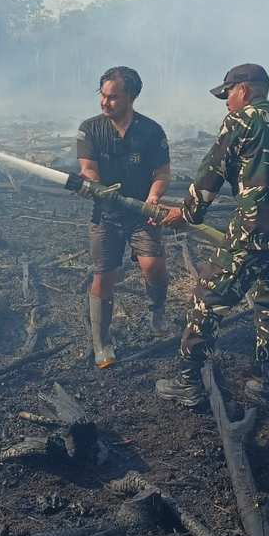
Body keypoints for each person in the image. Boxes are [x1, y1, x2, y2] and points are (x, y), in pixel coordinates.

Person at [156, 64, 269, 411]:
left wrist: (188, 212)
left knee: (208, 301)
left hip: (254, 232)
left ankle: (188, 383)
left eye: (227, 94)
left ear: (244, 89)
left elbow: (213, 170)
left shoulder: (241, 120)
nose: (226, 102)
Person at [77, 66, 172, 368]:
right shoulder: (90, 129)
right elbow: (88, 169)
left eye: (113, 98)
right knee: (104, 275)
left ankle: (156, 311)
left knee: (153, 267)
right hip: (105, 214)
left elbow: (162, 173)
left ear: (131, 97)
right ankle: (102, 342)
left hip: (142, 214)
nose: (105, 103)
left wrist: (154, 197)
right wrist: (94, 187)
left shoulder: (151, 131)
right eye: (102, 96)